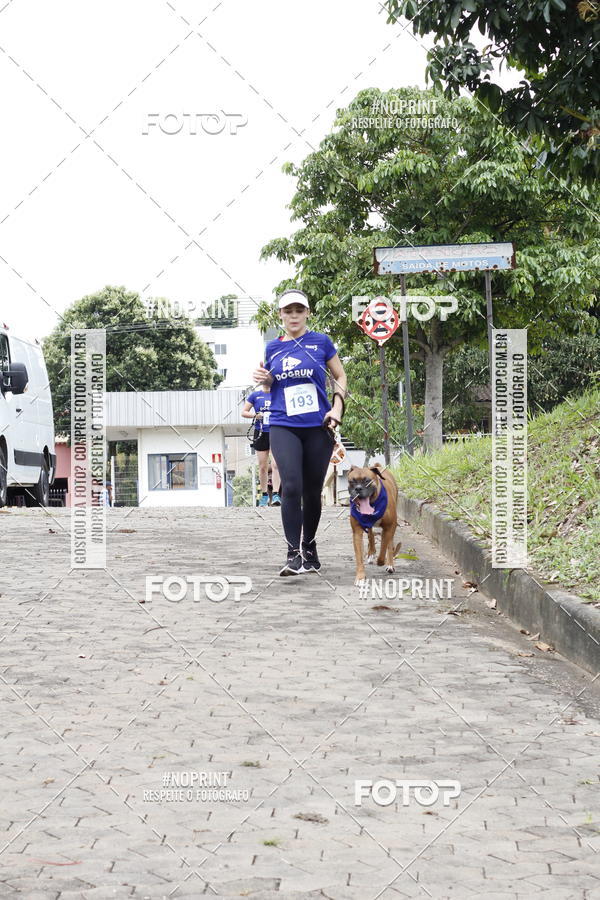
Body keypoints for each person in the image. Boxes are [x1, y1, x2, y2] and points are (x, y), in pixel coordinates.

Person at [252, 289, 347, 576]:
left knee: (312, 490)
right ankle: (293, 552)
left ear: (307, 313)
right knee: (290, 485)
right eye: (288, 311)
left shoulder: (321, 342)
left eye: (299, 310)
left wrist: (337, 409)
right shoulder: (272, 348)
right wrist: (266, 381)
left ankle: (310, 544)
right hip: (283, 423)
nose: (293, 316)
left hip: (318, 426)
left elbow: (340, 376)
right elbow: (270, 386)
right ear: (280, 315)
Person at [241, 383, 281, 507]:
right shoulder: (255, 395)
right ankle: (264, 495)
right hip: (261, 432)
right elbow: (244, 412)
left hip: (276, 431)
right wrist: (255, 415)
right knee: (263, 466)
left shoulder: (279, 393)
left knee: (275, 464)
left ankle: (276, 494)